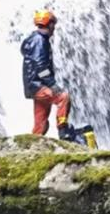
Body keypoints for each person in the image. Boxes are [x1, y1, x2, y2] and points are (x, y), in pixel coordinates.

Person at [21, 9, 73, 140]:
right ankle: (63, 131)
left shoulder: (34, 39)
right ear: (49, 24)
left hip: (33, 86)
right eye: (53, 24)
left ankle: (32, 148)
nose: (54, 27)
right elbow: (40, 67)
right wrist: (52, 84)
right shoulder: (40, 41)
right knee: (63, 98)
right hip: (39, 86)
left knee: (40, 125)